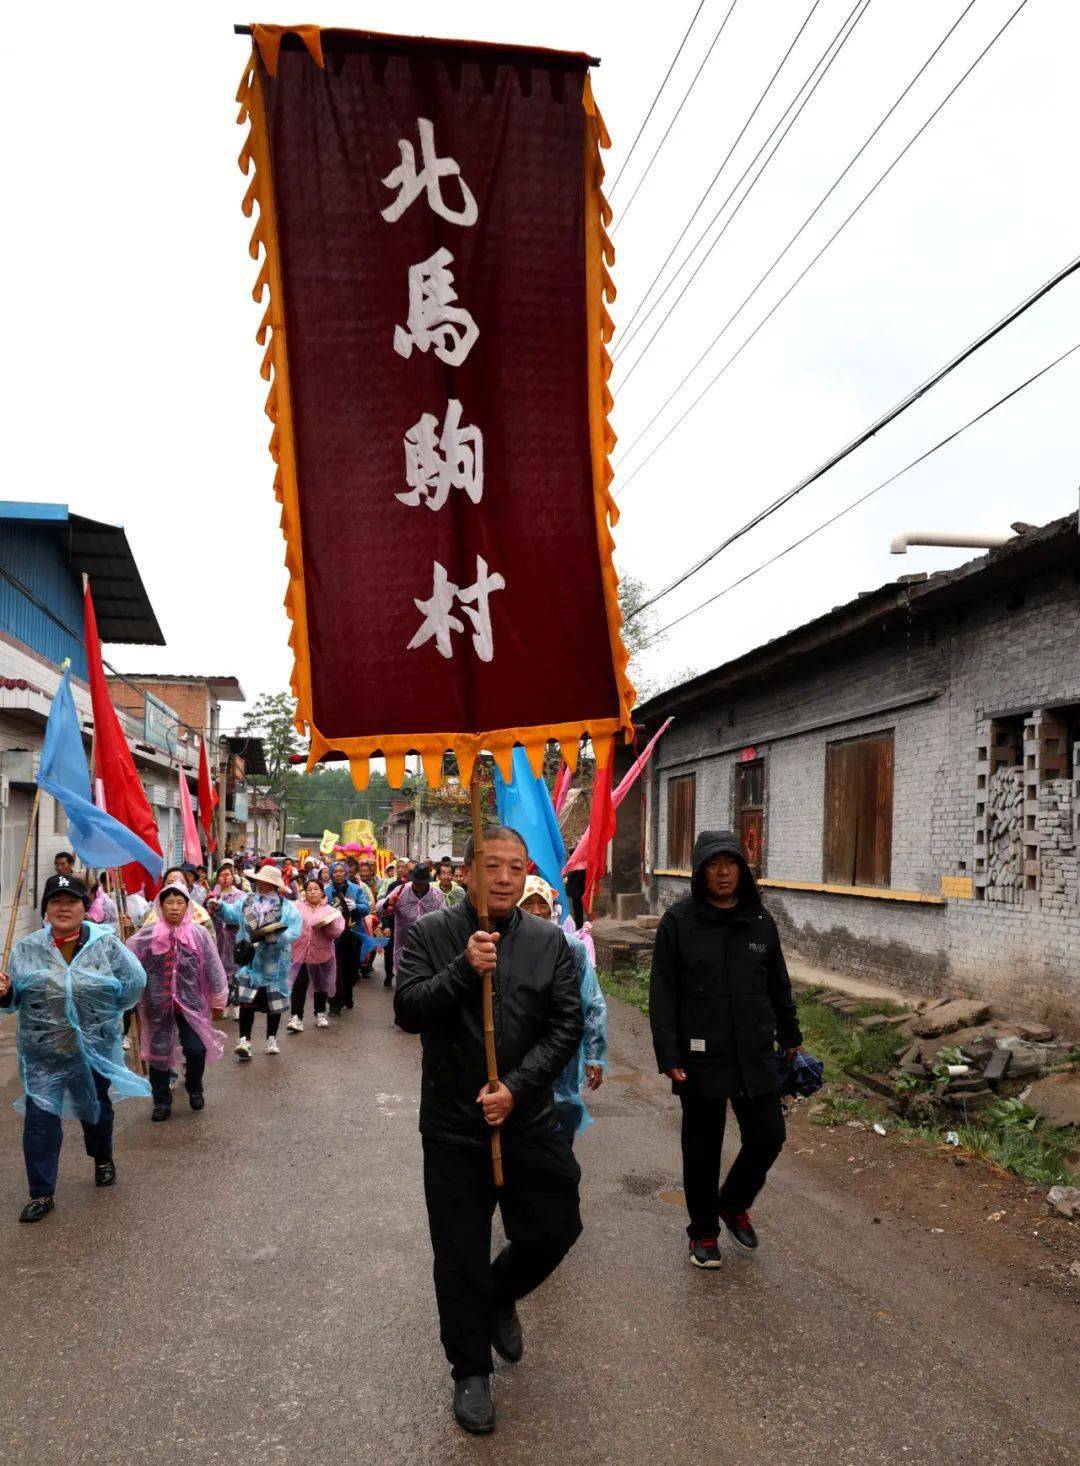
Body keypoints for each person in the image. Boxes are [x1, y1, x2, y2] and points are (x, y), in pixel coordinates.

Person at [394, 826, 584, 1436]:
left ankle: (500, 1293)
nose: (503, 877)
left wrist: (518, 1089)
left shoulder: (549, 942)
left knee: (556, 1226)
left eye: (514, 867)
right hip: (453, 1127)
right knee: (459, 1256)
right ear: (467, 872)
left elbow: (565, 1023)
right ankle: (470, 1369)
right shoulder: (431, 934)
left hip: (526, 1119)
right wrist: (461, 969)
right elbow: (408, 1010)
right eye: (491, 866)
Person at [649, 830, 803, 1270]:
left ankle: (733, 1201)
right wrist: (669, 1053)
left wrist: (790, 1035)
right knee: (702, 1147)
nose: (723, 872)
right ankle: (703, 1233)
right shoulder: (679, 922)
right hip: (700, 1054)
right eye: (714, 864)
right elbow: (662, 994)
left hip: (753, 1049)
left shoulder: (759, 921)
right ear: (700, 871)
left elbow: (778, 984)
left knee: (769, 1136)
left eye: (730, 863)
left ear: (742, 869)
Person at [0, 873, 150, 1223]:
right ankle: (41, 1193)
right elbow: (15, 997)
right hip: (43, 1054)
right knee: (39, 1123)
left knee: (95, 1112)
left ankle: (103, 1158)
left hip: (93, 1050)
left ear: (86, 908)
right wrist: (5, 992)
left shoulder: (106, 944)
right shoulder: (28, 948)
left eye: (71, 902)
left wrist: (108, 1014)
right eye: (55, 902)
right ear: (46, 909)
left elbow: (133, 983)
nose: (63, 908)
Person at [127, 883, 229, 1121]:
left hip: (190, 1005)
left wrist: (217, 1000)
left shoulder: (199, 934)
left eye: (179, 902)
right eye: (169, 902)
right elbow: (128, 960)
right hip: (157, 1003)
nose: (174, 907)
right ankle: (161, 1101)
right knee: (158, 1053)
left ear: (187, 906)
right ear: (160, 906)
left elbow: (214, 969)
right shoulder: (148, 934)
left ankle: (195, 1086)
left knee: (196, 1049)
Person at [517, 876, 607, 1144]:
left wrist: (595, 1056)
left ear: (551, 907)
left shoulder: (572, 948)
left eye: (541, 903)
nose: (536, 911)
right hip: (518, 1051)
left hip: (562, 1054)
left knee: (559, 1127)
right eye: (527, 903)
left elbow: (592, 1004)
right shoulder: (505, 947)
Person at [218, 863, 302, 1059]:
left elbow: (295, 929)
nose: (259, 884)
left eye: (264, 882)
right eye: (258, 881)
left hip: (276, 961)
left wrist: (278, 938)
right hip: (251, 961)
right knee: (247, 1002)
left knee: (274, 1003)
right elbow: (230, 915)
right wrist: (219, 907)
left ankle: (271, 1039)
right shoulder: (245, 902)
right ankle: (244, 1041)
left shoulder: (286, 907)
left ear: (273, 885)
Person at [287, 877, 346, 1031]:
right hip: (300, 954)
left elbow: (336, 932)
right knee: (299, 984)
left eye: (316, 889)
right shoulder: (297, 908)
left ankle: (319, 1012)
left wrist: (328, 925)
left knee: (320, 985)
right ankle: (296, 1016)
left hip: (321, 954)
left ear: (322, 892)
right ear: (304, 892)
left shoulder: (330, 911)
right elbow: (289, 925)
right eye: (309, 890)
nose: (312, 892)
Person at [378, 863, 445, 984]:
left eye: (422, 883)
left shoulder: (437, 895)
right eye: (416, 883)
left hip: (427, 943)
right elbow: (380, 909)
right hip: (403, 942)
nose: (419, 886)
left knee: (424, 980)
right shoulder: (401, 890)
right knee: (403, 979)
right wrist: (388, 902)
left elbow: (443, 918)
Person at [324, 861, 371, 1014]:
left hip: (353, 934)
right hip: (334, 936)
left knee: (351, 971)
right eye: (335, 871)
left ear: (345, 873)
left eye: (341, 871)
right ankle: (335, 1004)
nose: (338, 874)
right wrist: (330, 911)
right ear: (331, 874)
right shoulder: (327, 890)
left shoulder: (356, 889)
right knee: (335, 970)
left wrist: (356, 906)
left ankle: (347, 994)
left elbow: (367, 908)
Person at [207, 864, 245, 1019]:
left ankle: (237, 1004)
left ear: (233, 876)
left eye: (228, 874)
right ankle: (224, 1003)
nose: (225, 878)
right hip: (218, 938)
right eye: (222, 875)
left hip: (234, 938)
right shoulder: (213, 895)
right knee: (220, 973)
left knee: (236, 971)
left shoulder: (241, 895)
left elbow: (242, 915)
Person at [141, 867, 214, 931]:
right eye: (170, 883)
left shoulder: (201, 915)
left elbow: (210, 943)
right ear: (163, 886)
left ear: (188, 887)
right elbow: (138, 941)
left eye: (181, 883)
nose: (176, 886)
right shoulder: (150, 914)